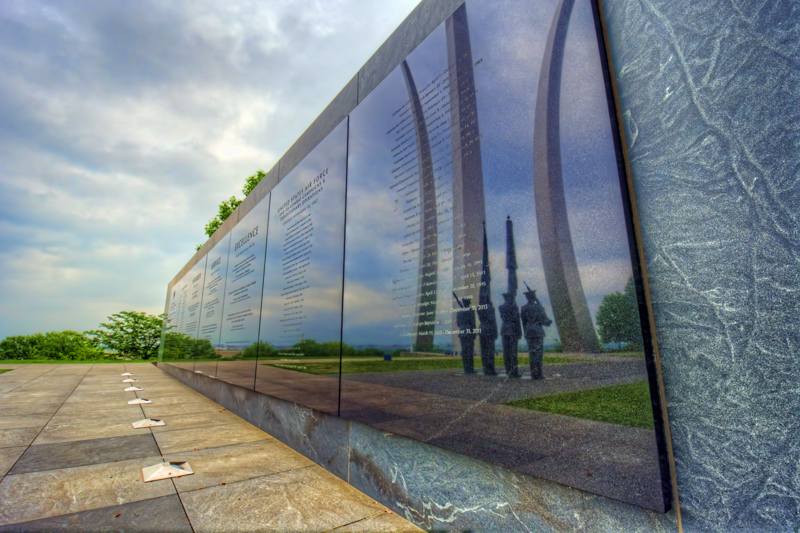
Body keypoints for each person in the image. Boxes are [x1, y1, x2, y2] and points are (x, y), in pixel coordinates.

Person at [520, 288, 552, 379]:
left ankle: (534, 373)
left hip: (529, 332)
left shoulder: (523, 308)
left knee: (532, 353)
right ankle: (539, 374)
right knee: (538, 353)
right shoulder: (539, 307)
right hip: (538, 331)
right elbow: (544, 321)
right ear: (534, 297)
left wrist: (525, 332)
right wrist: (548, 321)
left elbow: (524, 322)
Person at [499, 292, 522, 378]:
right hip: (512, 330)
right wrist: (519, 332)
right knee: (513, 353)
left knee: (506, 352)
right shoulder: (514, 307)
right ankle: (514, 372)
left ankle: (508, 371)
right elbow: (517, 320)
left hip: (504, 330)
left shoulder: (501, 307)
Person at [455, 297, 477, 374]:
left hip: (462, 331)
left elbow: (458, 323)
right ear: (468, 303)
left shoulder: (459, 312)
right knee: (469, 351)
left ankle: (466, 369)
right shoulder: (471, 311)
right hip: (469, 331)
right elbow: (473, 323)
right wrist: (474, 333)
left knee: (464, 351)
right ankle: (470, 369)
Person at [477, 301, 498, 375]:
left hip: (482, 329)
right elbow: (493, 320)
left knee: (484, 351)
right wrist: (496, 332)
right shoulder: (491, 309)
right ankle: (490, 369)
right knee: (490, 351)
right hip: (489, 330)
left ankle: (485, 369)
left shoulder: (479, 308)